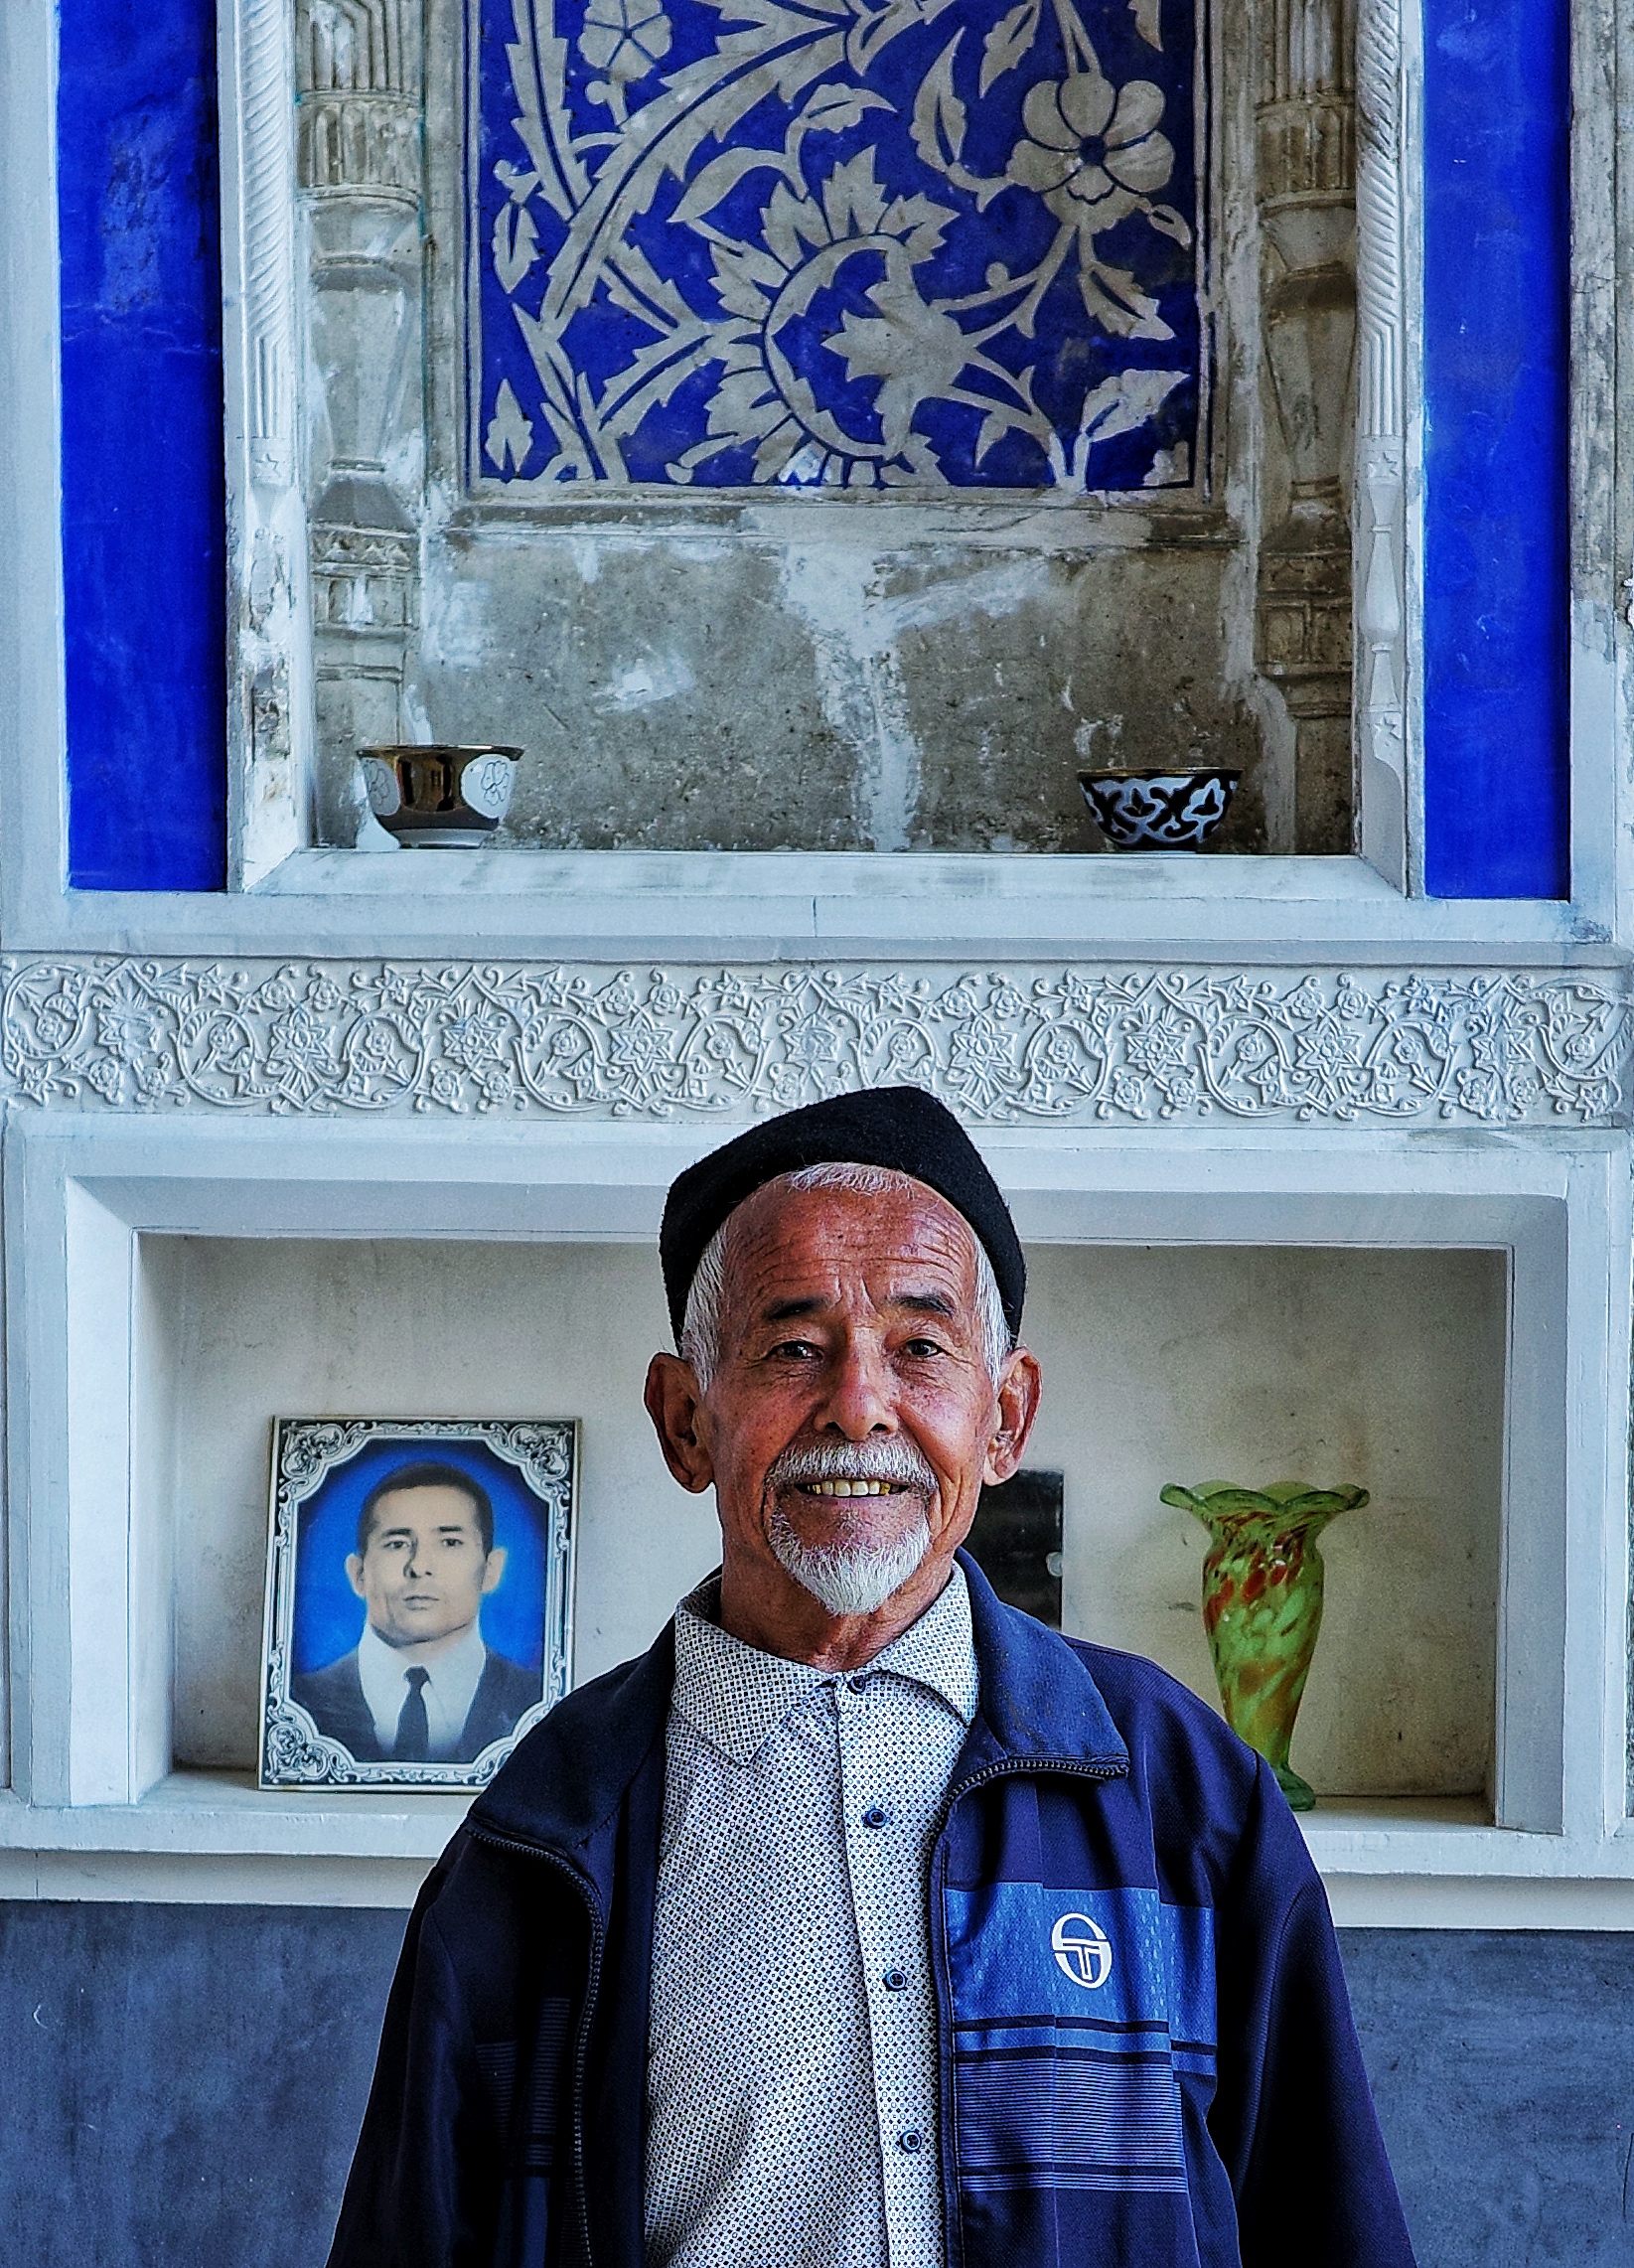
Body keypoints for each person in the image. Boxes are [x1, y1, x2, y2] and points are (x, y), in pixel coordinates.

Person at [326, 1087, 1416, 2268]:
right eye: (793, 1347)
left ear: (1003, 1420)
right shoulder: (548, 1834)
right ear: (686, 1420)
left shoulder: (1176, 1787)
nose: (857, 1407)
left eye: (919, 1349)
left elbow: (1325, 2213)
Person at [294, 1461, 539, 1765]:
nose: (419, 1566)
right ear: (358, 1573)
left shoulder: (539, 1703)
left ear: (491, 1569)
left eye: (450, 1542)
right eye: (397, 1544)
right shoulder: (298, 1702)